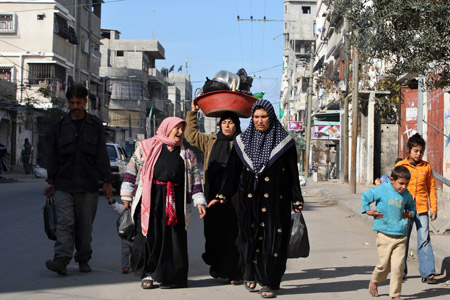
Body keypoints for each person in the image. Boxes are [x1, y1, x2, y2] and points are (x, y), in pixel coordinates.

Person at [210, 100, 304, 298]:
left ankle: (268, 282)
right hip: (249, 201)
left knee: (273, 240)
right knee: (249, 239)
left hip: (276, 201)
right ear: (252, 119)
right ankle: (250, 273)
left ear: (271, 117)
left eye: (264, 117)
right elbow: (232, 173)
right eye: (256, 117)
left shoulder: (285, 143)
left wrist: (296, 198)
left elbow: (293, 174)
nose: (260, 121)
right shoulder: (241, 143)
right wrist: (223, 195)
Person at [120, 117, 207, 289]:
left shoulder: (188, 154)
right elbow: (131, 171)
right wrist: (127, 194)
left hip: (176, 201)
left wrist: (199, 201)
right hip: (150, 199)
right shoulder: (146, 148)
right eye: (177, 128)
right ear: (166, 128)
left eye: (182, 129)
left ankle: (172, 277)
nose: (180, 132)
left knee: (173, 239)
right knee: (149, 236)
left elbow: (195, 179)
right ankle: (148, 274)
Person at [44, 83, 113, 275]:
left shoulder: (95, 125)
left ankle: (83, 258)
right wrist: (51, 181)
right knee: (64, 223)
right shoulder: (59, 125)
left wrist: (107, 181)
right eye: (72, 103)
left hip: (88, 185)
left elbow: (101, 154)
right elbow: (53, 155)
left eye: (78, 102)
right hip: (63, 184)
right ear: (68, 102)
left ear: (85, 102)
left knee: (84, 226)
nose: (75, 106)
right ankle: (61, 260)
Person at [185, 101, 243, 284]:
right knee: (213, 233)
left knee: (233, 233)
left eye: (231, 122)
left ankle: (235, 272)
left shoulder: (243, 142)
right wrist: (193, 113)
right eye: (224, 122)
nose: (227, 126)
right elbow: (191, 135)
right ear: (219, 125)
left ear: (237, 125)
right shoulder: (210, 140)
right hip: (212, 194)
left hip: (235, 196)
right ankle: (217, 266)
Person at [361, 166, 416, 300]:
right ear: (392, 179)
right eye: (401, 183)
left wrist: (409, 214)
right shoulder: (382, 189)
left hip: (401, 235)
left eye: (406, 184)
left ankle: (395, 295)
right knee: (384, 265)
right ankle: (374, 280)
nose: (404, 187)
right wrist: (367, 210)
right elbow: (366, 196)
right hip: (384, 234)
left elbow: (412, 207)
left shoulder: (407, 194)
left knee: (398, 267)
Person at [396, 133, 438, 284]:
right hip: (404, 209)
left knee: (424, 239)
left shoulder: (426, 167)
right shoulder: (400, 166)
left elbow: (431, 187)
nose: (419, 154)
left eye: (421, 151)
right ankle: (401, 271)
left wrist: (434, 207)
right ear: (409, 150)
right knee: (403, 239)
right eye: (416, 151)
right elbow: (393, 188)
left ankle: (428, 272)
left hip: (422, 209)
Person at [107, 197, 135, 274]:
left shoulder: (140, 211)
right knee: (125, 253)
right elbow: (116, 207)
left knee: (136, 253)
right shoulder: (125, 209)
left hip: (136, 238)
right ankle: (125, 266)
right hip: (125, 237)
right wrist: (111, 200)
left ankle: (134, 265)